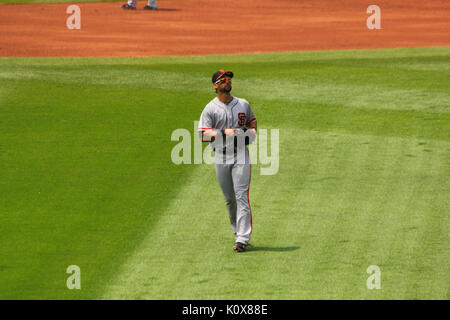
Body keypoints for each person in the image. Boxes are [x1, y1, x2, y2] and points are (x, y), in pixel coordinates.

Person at [198, 70, 257, 252]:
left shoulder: (243, 104)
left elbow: (252, 123)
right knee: (230, 200)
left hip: (240, 154)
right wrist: (224, 133)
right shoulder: (210, 109)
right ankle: (236, 231)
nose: (227, 82)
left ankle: (242, 238)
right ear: (216, 86)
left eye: (229, 79)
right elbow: (202, 135)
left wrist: (250, 135)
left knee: (241, 196)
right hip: (221, 155)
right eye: (223, 80)